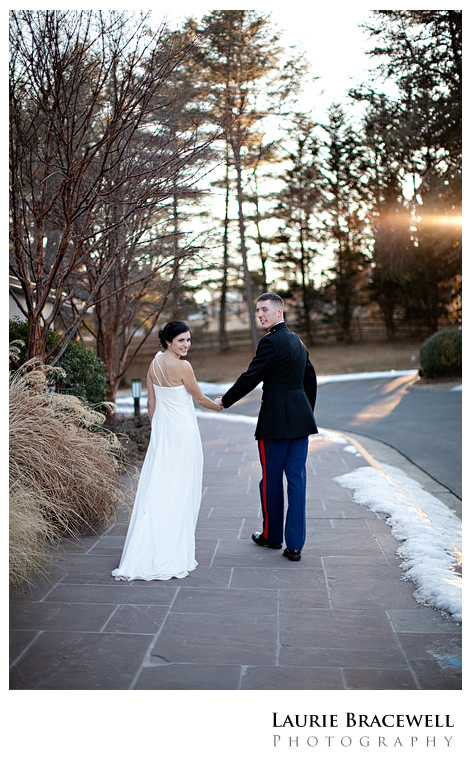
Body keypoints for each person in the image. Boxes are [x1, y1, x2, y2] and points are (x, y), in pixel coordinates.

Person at [112, 321, 223, 581]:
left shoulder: (154, 363)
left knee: (160, 486)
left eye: (188, 340)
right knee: (181, 487)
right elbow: (200, 399)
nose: (186, 345)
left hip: (163, 433)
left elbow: (152, 402)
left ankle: (152, 542)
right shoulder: (183, 366)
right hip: (183, 433)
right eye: (181, 340)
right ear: (168, 341)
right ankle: (170, 547)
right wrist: (220, 406)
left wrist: (156, 431)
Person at [216, 293, 317, 562]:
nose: (260, 314)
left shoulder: (270, 342)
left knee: (271, 481)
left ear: (279, 311)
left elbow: (251, 377)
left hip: (274, 423)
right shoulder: (297, 340)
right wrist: (306, 412)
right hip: (300, 421)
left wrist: (225, 401)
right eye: (257, 310)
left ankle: (273, 537)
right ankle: (295, 546)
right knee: (297, 481)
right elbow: (310, 378)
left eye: (264, 310)